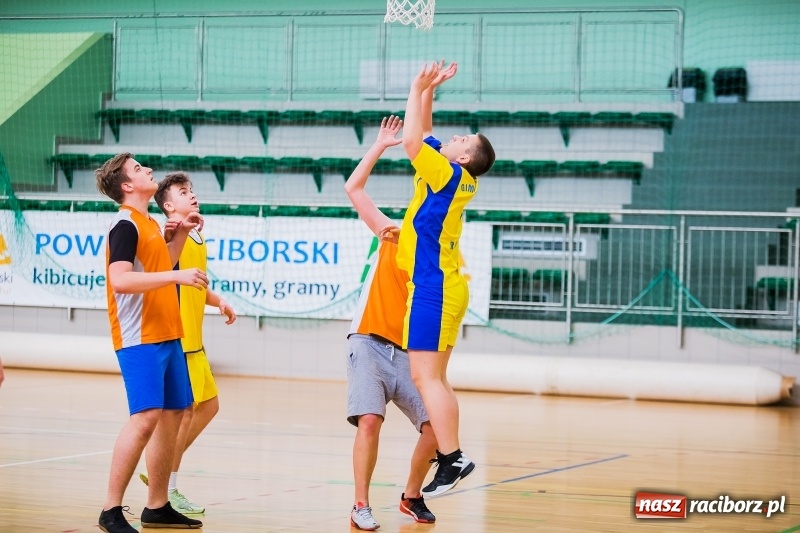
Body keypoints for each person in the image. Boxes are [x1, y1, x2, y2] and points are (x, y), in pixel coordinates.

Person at [396, 61, 496, 497]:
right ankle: (452, 456)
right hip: (446, 285)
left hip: (434, 288)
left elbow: (412, 140)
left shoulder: (447, 172)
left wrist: (414, 85)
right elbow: (428, 132)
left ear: (463, 158)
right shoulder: (453, 172)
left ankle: (453, 458)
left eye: (462, 140)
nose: (454, 138)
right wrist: (430, 91)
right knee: (436, 379)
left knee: (426, 379)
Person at [95, 153, 206, 533]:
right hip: (138, 337)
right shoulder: (125, 224)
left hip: (167, 332)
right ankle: (110, 510)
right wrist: (177, 278)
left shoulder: (151, 223)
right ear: (127, 185)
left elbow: (164, 267)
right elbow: (121, 280)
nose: (147, 170)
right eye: (139, 168)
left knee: (174, 414)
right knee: (144, 419)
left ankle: (157, 506)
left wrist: (180, 235)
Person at [344, 115, 438, 530]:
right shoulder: (392, 233)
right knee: (369, 420)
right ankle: (360, 504)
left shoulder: (440, 257)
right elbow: (353, 189)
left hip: (407, 355)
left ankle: (411, 497)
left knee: (438, 426)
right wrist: (381, 146)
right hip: (368, 342)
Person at [134, 172, 237, 515]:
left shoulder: (196, 237)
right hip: (178, 339)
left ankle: (160, 470)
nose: (191, 195)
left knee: (208, 406)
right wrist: (171, 233)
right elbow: (163, 266)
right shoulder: (172, 233)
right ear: (167, 206)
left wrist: (218, 299)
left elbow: (191, 283)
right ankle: (168, 485)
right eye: (182, 192)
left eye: (191, 190)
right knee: (182, 413)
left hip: (195, 341)